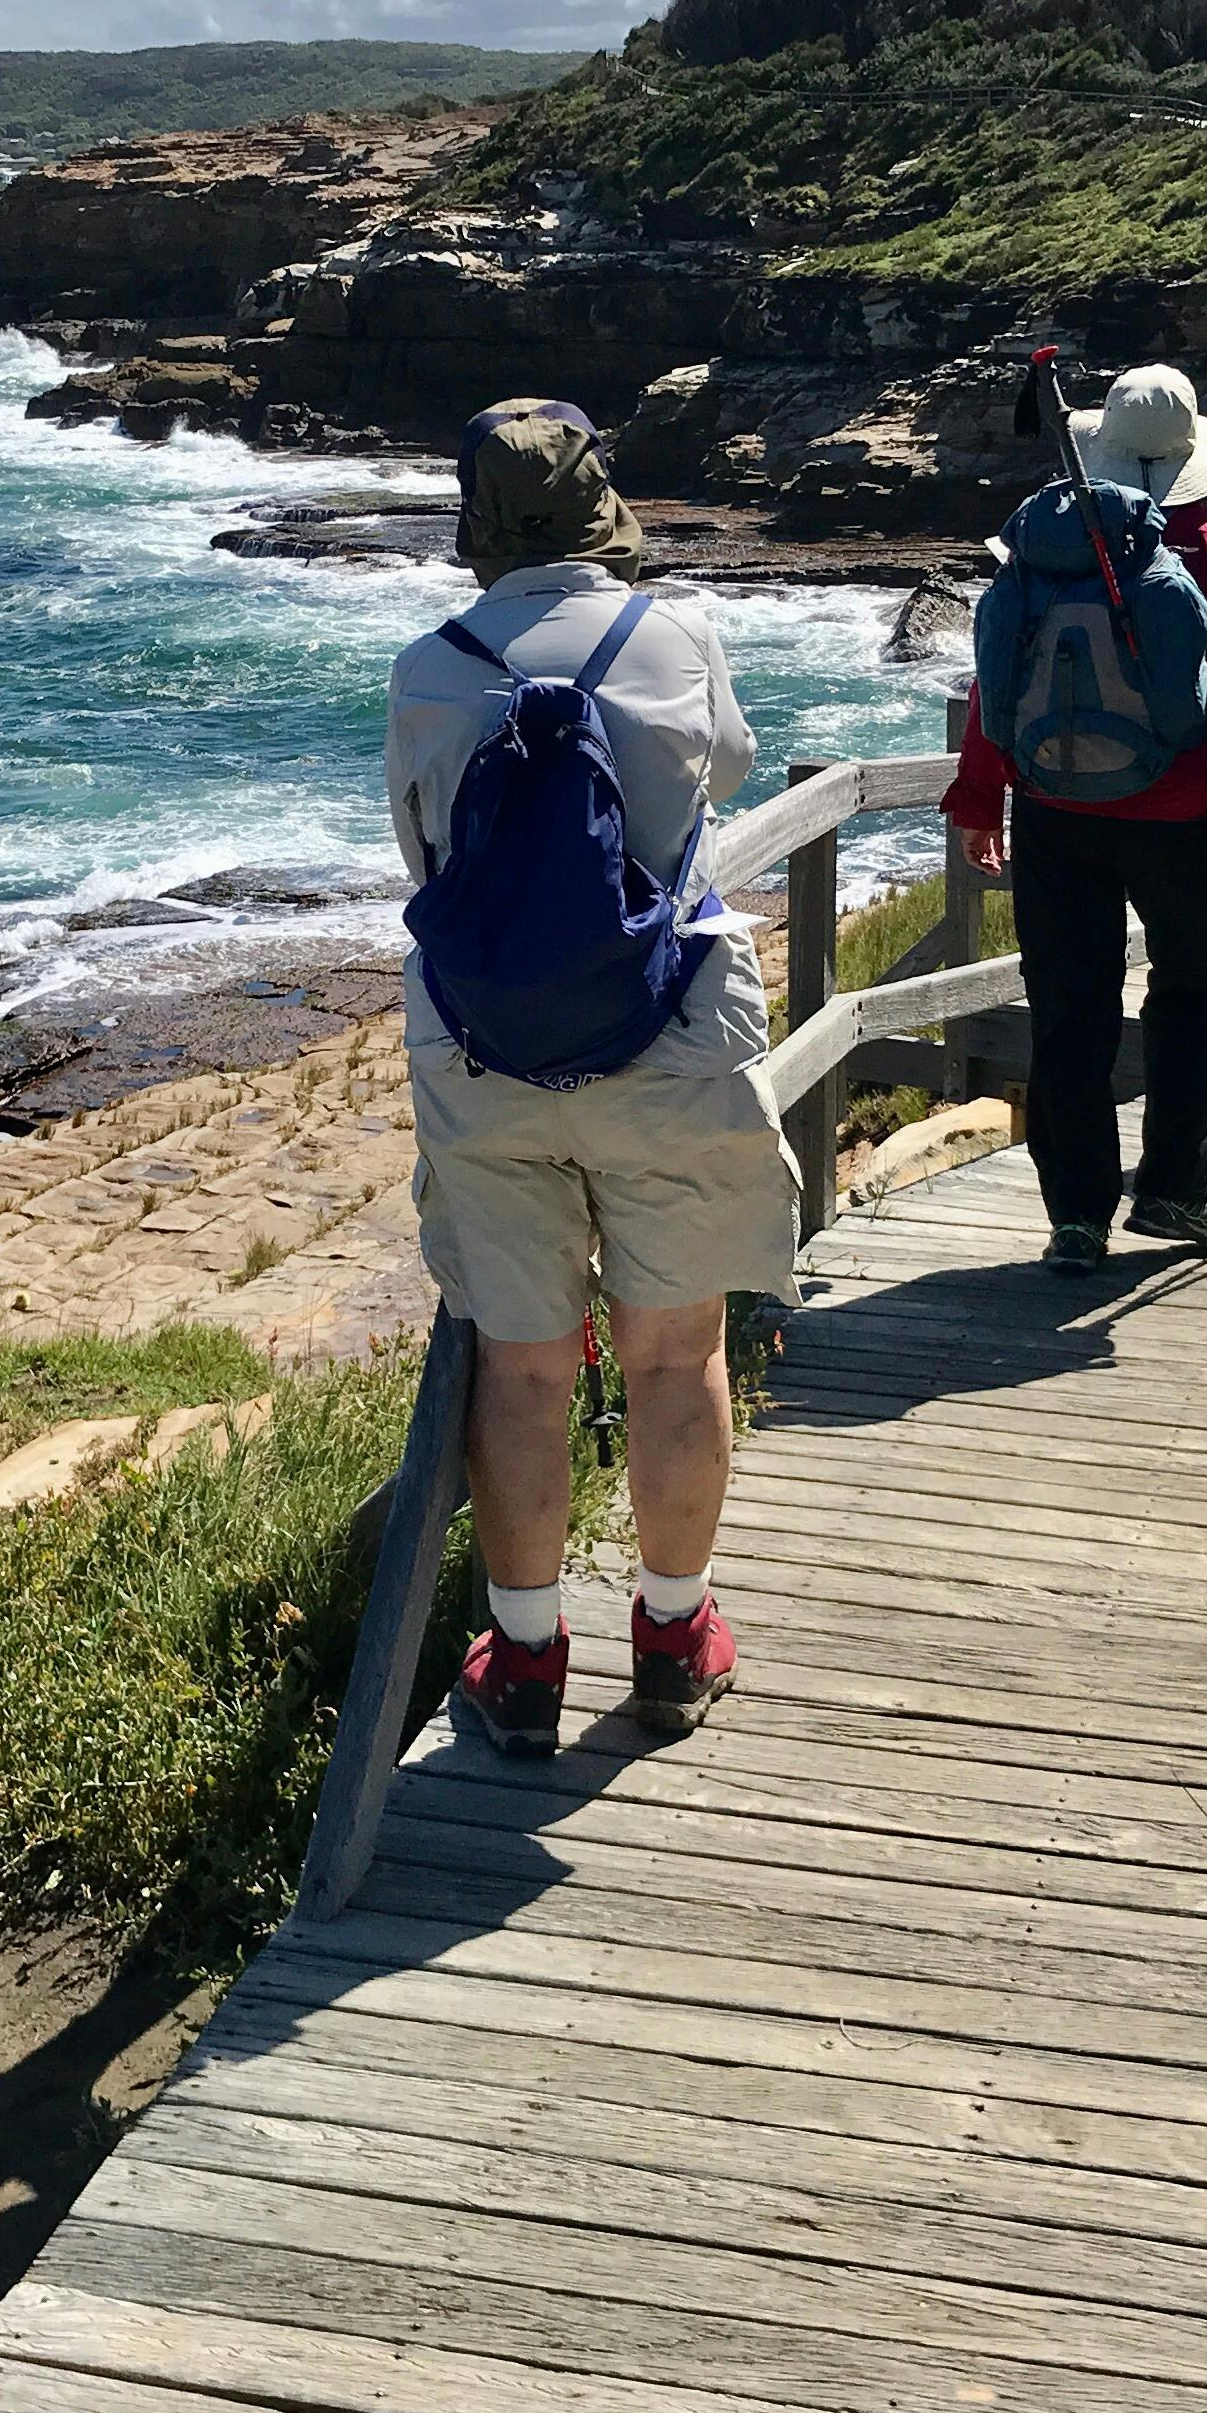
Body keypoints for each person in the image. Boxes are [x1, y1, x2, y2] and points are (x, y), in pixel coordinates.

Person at [388, 400, 783, 1762]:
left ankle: (527, 1658)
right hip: (670, 1031)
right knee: (676, 1349)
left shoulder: (431, 668)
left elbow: (420, 847)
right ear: (601, 504)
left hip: (486, 1051)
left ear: (478, 521)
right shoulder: (670, 637)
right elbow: (725, 768)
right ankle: (674, 1637)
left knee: (525, 1364)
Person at [943, 364, 1207, 1277]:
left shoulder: (1047, 534)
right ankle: (1173, 1190)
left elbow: (999, 674)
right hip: (1179, 812)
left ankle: (1076, 1216)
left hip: (1053, 813)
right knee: (1194, 987)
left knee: (1070, 1010)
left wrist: (980, 794)